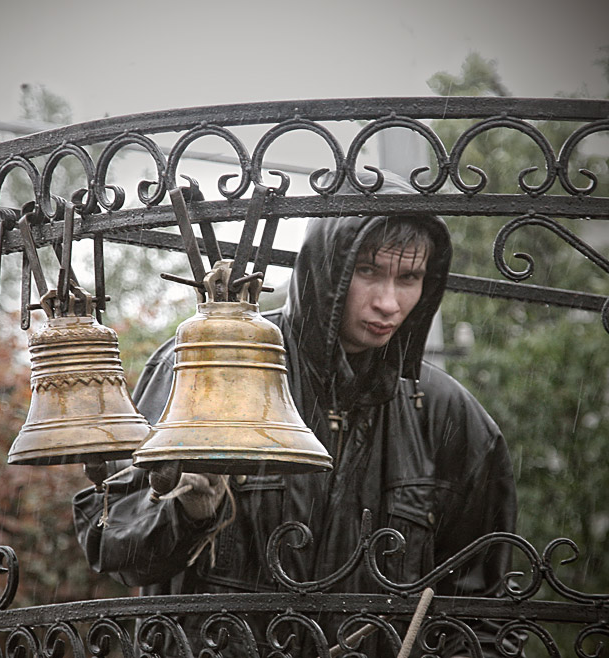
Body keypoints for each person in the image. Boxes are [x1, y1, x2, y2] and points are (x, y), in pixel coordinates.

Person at [73, 172, 517, 657]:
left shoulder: (449, 418)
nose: (389, 303)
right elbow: (111, 544)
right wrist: (186, 513)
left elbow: (481, 617)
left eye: (408, 278)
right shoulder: (212, 368)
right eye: (368, 272)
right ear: (330, 269)